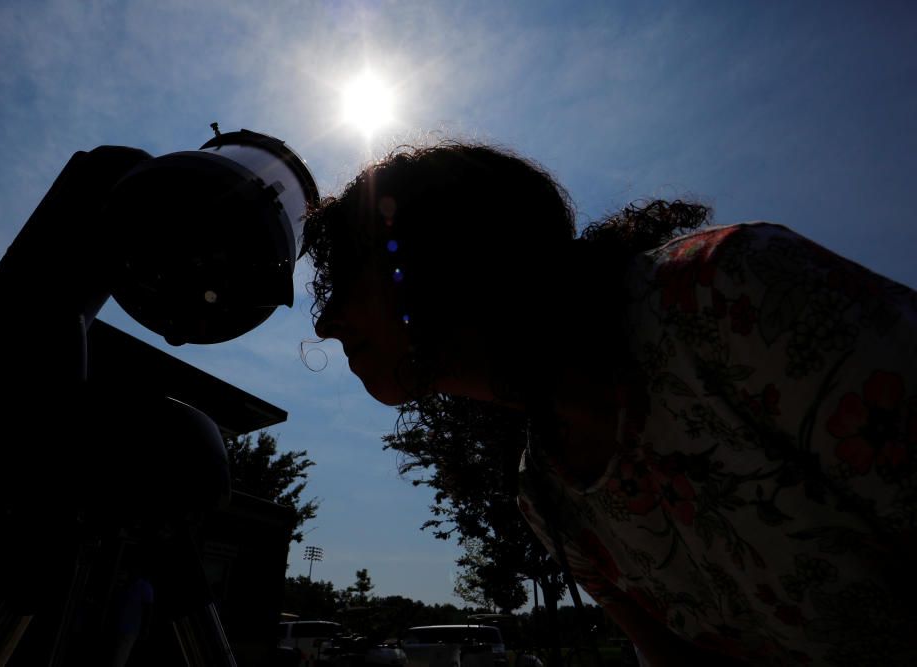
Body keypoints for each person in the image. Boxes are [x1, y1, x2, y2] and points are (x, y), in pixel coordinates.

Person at [301, 141, 917, 666]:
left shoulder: (737, 296)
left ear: (440, 250)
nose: (326, 324)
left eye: (347, 275)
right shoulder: (548, 499)